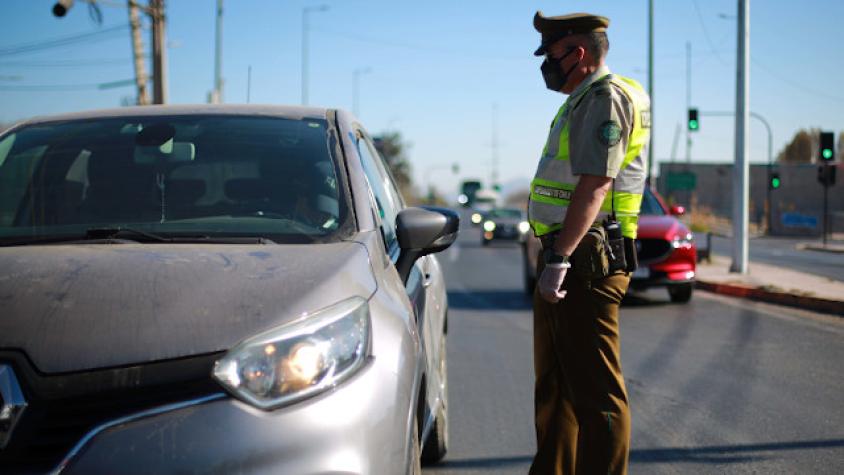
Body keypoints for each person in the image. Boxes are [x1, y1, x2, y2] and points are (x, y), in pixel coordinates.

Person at [527, 10, 651, 475]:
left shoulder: (606, 98)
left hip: (586, 259)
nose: (546, 65)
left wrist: (561, 257)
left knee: (597, 397)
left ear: (577, 53)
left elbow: (595, 184)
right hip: (566, 255)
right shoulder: (581, 100)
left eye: (552, 55)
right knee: (556, 388)